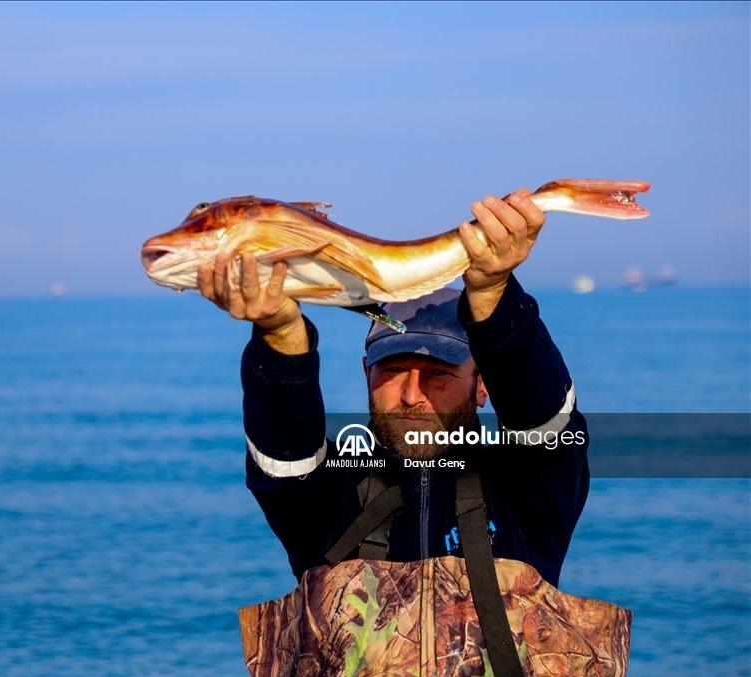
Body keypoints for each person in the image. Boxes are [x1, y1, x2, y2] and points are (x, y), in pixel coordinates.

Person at [196, 189, 588, 589]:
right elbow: (284, 457)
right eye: (394, 368)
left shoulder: (525, 493)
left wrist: (492, 295)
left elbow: (547, 426)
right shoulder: (330, 501)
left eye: (440, 372)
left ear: (482, 384)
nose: (411, 395)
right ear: (366, 372)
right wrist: (280, 335)